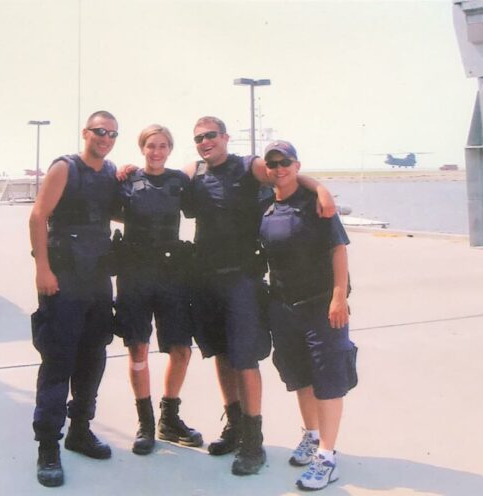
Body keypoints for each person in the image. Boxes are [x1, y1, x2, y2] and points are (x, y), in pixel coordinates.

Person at [182, 116, 336, 476]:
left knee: (246, 359)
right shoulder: (195, 171)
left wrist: (321, 188)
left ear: (225, 137)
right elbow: (161, 179)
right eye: (199, 138)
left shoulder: (247, 166)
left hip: (243, 280)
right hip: (207, 278)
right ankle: (235, 426)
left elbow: (286, 175)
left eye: (211, 136)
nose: (205, 142)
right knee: (222, 355)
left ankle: (254, 442)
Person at [258, 140, 358, 490]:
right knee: (300, 376)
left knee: (328, 378)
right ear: (266, 169)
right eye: (273, 163)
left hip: (321, 306)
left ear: (297, 165)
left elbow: (338, 249)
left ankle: (328, 459)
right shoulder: (266, 207)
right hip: (284, 307)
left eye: (286, 162)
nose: (279, 167)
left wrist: (338, 297)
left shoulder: (315, 205)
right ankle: (312, 436)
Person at [29, 110, 121, 487]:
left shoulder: (110, 171)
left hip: (98, 279)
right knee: (58, 359)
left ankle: (81, 429)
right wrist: (42, 270)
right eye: (100, 131)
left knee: (94, 355)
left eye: (112, 133)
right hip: (64, 279)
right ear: (86, 132)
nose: (105, 138)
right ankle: (48, 445)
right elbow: (38, 217)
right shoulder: (65, 168)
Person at [114, 124, 202, 455]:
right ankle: (145, 423)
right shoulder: (126, 182)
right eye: (151, 145)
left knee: (181, 349)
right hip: (135, 274)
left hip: (172, 274)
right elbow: (108, 209)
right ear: (142, 148)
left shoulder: (180, 181)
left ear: (170, 149)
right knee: (138, 349)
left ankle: (169, 417)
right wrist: (123, 171)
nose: (157, 151)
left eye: (163, 145)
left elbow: (200, 190)